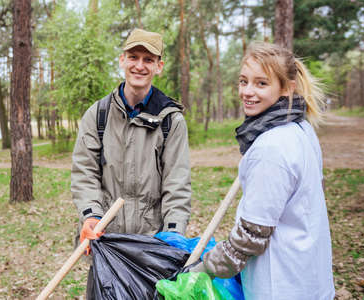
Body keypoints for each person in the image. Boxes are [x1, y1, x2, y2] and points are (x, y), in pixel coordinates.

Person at [189, 42, 335, 300]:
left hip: (282, 285)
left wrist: (201, 270)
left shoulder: (272, 147)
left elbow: (250, 237)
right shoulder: (301, 129)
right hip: (309, 278)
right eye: (243, 81)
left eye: (261, 83)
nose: (247, 91)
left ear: (287, 88)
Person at [71, 28, 191, 298]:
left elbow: (177, 183)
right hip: (107, 241)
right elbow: (84, 173)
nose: (139, 65)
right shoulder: (98, 115)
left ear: (159, 66)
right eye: (133, 57)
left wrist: (173, 234)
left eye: (148, 60)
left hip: (152, 246)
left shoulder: (171, 121)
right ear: (122, 60)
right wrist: (91, 216)